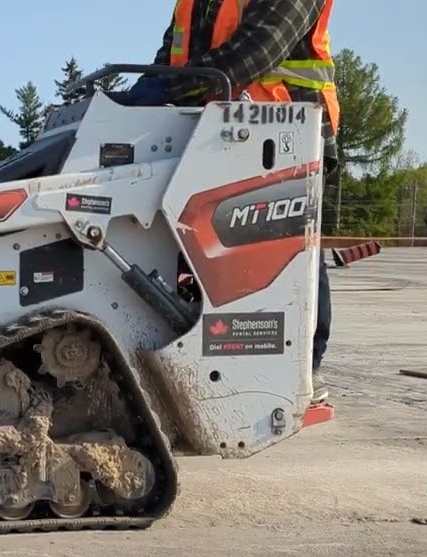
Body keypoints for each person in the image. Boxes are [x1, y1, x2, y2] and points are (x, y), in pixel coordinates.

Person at [116, 0, 337, 405]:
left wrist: (167, 86)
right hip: (212, 130)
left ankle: (303, 369)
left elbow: (254, 52)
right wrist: (143, 94)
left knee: (288, 248)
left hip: (281, 128)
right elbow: (171, 56)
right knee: (195, 241)